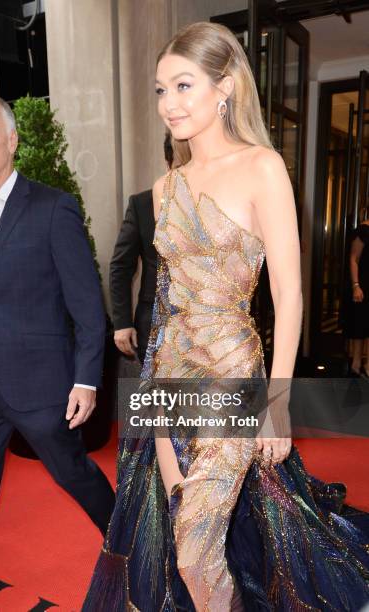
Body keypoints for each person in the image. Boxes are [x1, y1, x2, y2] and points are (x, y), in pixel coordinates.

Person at [84, 22, 369, 611]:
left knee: (192, 545)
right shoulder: (165, 189)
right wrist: (158, 426)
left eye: (183, 85)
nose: (169, 104)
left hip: (235, 375)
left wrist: (279, 400)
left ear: (225, 85)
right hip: (172, 377)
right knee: (185, 533)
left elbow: (290, 294)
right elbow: (164, 311)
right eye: (160, 90)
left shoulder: (263, 167)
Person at [0, 92, 115, 602]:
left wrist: (86, 379)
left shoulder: (51, 207)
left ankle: (132, 552)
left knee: (76, 476)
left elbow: (87, 307)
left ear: (11, 140)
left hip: (43, 387)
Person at [110, 134, 173, 363]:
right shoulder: (141, 204)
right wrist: (122, 322)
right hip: (153, 321)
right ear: (167, 163)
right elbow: (121, 265)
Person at [343, 214, 369, 376]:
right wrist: (356, 286)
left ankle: (367, 365)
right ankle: (356, 363)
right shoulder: (364, 230)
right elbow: (353, 259)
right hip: (363, 285)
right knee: (360, 325)